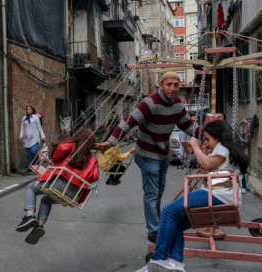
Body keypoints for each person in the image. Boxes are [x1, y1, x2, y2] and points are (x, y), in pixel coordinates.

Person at [95, 72, 195, 243]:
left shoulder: (178, 104)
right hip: (146, 153)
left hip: (162, 153)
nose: (172, 88)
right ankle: (153, 230)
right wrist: (111, 143)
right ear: (161, 85)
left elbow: (188, 127)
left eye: (176, 85)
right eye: (169, 84)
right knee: (151, 193)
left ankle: (156, 224)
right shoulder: (150, 103)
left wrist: (210, 135)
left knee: (159, 191)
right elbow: (128, 121)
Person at [136, 120, 249, 272]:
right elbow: (205, 173)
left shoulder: (223, 147)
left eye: (208, 139)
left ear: (218, 136)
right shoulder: (224, 150)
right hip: (220, 194)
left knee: (168, 212)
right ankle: (175, 262)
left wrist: (195, 146)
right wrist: (204, 154)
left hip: (218, 195)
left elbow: (209, 165)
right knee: (175, 222)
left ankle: (158, 259)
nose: (207, 143)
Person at [15, 128, 99, 244]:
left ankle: (29, 216)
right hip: (73, 194)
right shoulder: (93, 159)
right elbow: (95, 177)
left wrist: (60, 149)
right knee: (46, 200)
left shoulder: (71, 146)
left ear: (78, 137)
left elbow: (59, 152)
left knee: (31, 188)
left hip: (58, 184)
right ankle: (40, 224)